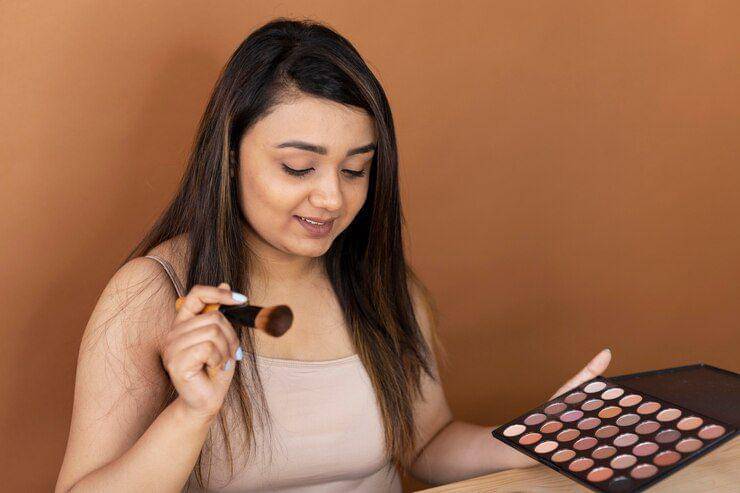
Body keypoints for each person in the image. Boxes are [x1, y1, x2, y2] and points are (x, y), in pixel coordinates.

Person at [55, 18, 611, 493]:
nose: (332, 198)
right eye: (298, 168)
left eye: (355, 169)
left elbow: (426, 443)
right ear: (229, 156)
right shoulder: (153, 293)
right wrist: (191, 413)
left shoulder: (381, 283)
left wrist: (534, 438)